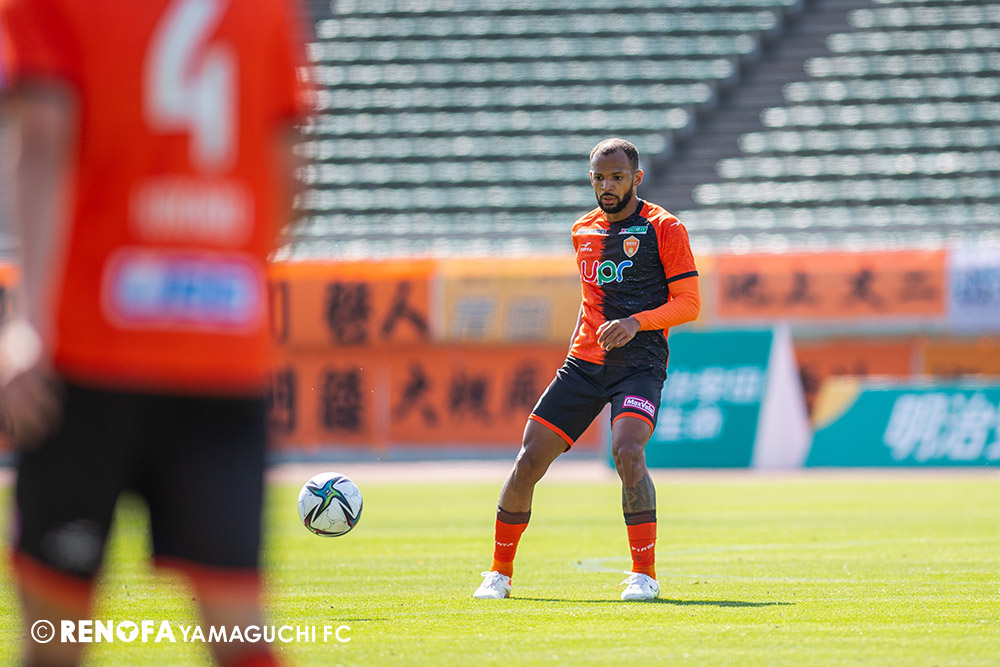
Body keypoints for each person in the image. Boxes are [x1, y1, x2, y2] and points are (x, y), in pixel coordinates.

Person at [0, 0, 311, 664]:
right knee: (239, 633)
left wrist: (29, 323)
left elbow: (43, 142)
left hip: (90, 353)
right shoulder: (266, 10)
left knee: (54, 639)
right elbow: (289, 181)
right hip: (220, 357)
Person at [473, 138, 701, 602]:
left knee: (628, 451)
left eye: (616, 177)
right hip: (584, 365)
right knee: (528, 460)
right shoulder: (582, 230)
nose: (606, 186)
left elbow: (690, 303)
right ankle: (498, 573)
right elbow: (591, 302)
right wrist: (580, 348)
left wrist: (636, 323)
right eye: (599, 177)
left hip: (639, 365)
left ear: (636, 179)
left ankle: (644, 575)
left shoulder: (664, 228)